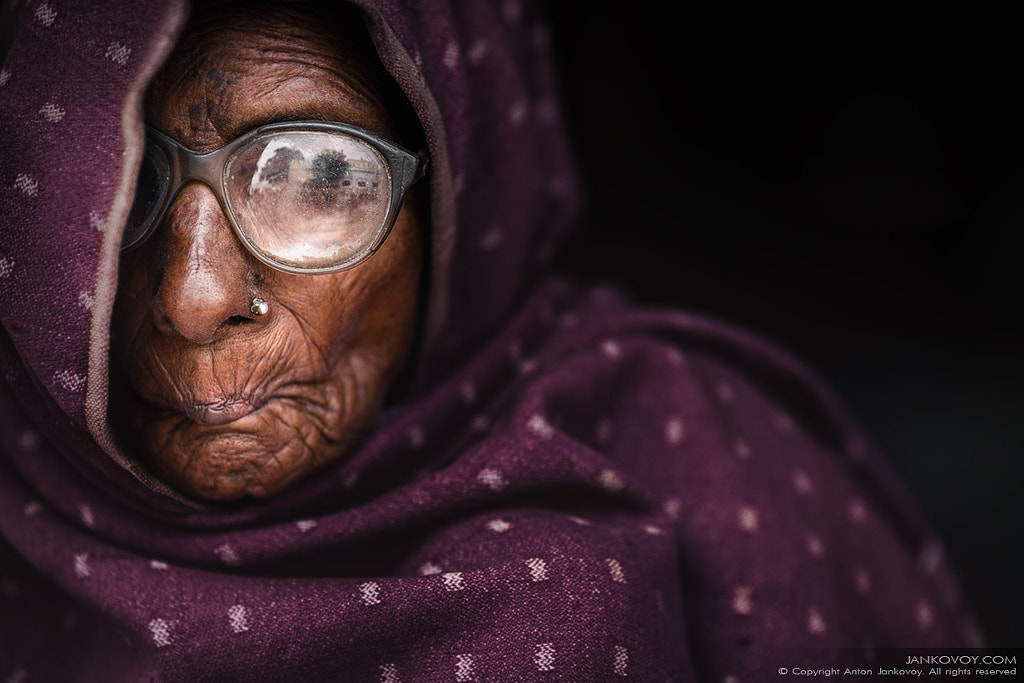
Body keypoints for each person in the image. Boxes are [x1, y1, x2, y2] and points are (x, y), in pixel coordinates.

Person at [0, 0, 980, 680]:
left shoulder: (707, 457)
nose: (193, 296)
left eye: (313, 175)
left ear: (466, 199)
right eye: (123, 179)